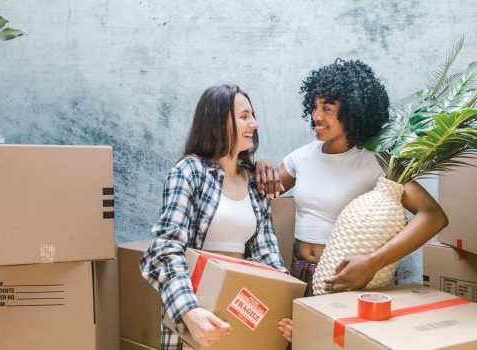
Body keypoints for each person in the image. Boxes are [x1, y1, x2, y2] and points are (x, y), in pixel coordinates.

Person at [254, 59, 449, 342]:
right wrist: (263, 164)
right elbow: (261, 191)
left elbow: (433, 216)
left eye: (327, 109)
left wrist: (372, 263)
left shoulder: (376, 162)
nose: (316, 116)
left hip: (346, 280)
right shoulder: (303, 157)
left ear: (354, 113)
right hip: (299, 274)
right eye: (314, 106)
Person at [140, 84, 286, 350]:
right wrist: (189, 312)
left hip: (240, 315)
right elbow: (165, 250)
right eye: (244, 116)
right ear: (217, 125)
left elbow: (268, 257)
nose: (254, 123)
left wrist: (284, 308)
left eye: (252, 115)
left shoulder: (255, 184)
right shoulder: (189, 172)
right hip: (196, 310)